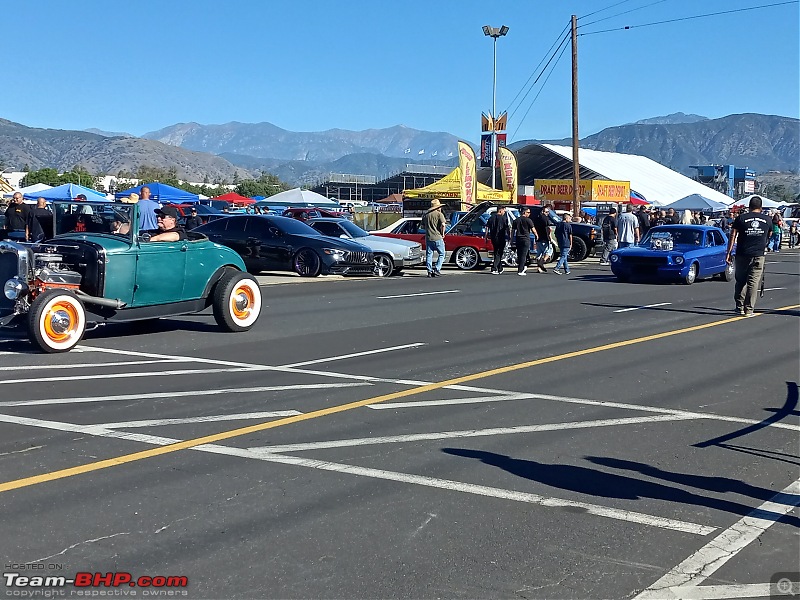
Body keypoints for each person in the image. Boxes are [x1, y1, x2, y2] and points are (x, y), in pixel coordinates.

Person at [725, 195, 771, 316]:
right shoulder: (767, 219)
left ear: (749, 206)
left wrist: (729, 252)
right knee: (753, 282)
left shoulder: (741, 218)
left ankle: (739, 306)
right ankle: (749, 309)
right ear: (761, 207)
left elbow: (732, 235)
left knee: (740, 280)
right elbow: (769, 234)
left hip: (742, 253)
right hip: (759, 254)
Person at [421, 198, 447, 277]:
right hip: (437, 236)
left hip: (428, 237)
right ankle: (437, 269)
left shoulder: (426, 214)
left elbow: (422, 226)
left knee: (429, 254)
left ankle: (429, 271)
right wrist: (442, 233)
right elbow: (443, 224)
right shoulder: (439, 214)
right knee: (442, 253)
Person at [484, 205, 510, 275]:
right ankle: (494, 268)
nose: (504, 212)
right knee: (499, 253)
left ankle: (500, 267)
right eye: (504, 211)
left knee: (496, 252)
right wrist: (509, 236)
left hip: (493, 237)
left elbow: (487, 228)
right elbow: (507, 228)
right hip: (501, 237)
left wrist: (485, 237)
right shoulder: (504, 219)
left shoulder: (491, 218)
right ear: (500, 210)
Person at [511, 206, 535, 276]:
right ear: (524, 212)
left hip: (518, 239)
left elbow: (512, 231)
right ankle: (520, 270)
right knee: (524, 254)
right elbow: (533, 229)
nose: (529, 214)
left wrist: (512, 239)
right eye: (528, 212)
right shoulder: (528, 220)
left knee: (520, 254)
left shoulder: (516, 220)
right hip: (525, 239)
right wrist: (537, 235)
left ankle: (522, 267)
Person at [533, 204, 552, 273]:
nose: (548, 213)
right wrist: (550, 238)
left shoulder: (536, 219)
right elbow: (548, 229)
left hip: (538, 238)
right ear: (542, 212)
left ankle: (539, 268)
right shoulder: (545, 219)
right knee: (549, 251)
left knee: (539, 253)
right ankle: (542, 263)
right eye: (546, 212)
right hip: (545, 238)